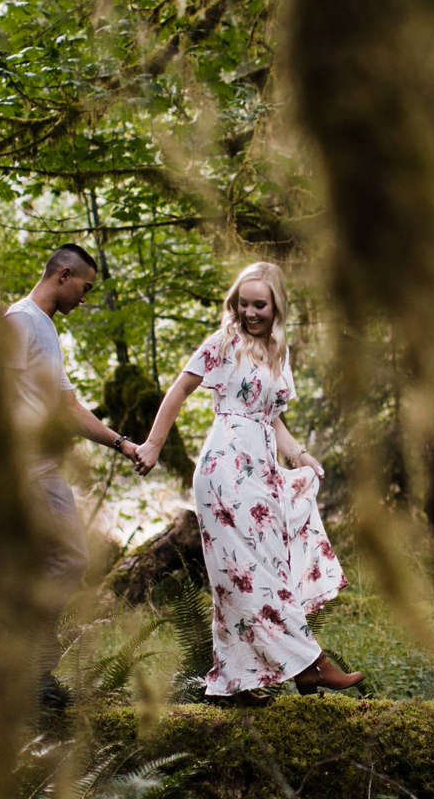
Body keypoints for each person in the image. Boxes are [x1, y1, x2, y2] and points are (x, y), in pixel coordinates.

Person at [135, 260, 362, 697]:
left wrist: (299, 453)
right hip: (225, 469)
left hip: (262, 471)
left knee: (262, 571)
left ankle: (236, 681)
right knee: (246, 574)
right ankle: (311, 664)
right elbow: (178, 390)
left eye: (260, 305)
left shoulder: (279, 352)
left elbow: (273, 420)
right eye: (244, 304)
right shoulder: (224, 342)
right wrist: (153, 445)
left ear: (276, 306)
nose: (251, 313)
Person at [5, 244, 141, 704]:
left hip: (42, 467)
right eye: (85, 287)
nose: (85, 298)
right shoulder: (20, 321)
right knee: (68, 558)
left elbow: (69, 408)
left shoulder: (42, 328)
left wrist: (123, 445)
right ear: (64, 275)